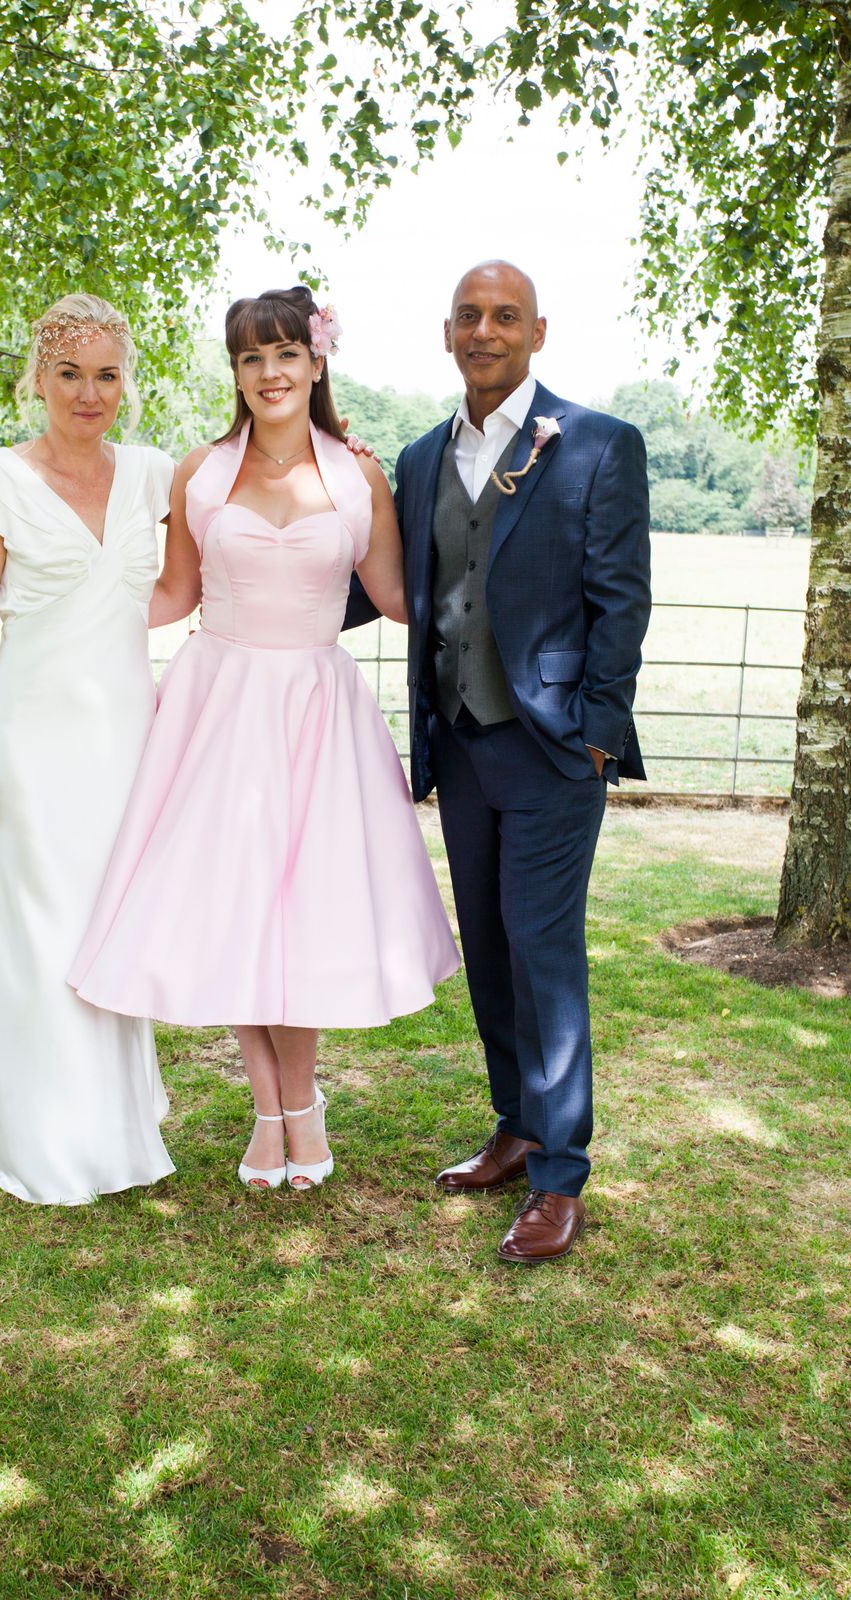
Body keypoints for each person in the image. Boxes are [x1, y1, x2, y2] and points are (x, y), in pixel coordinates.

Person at [69, 286, 459, 1190]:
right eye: (251, 357)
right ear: (237, 372)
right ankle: (268, 1110)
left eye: (286, 353)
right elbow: (172, 594)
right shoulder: (201, 472)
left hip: (318, 712)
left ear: (316, 362)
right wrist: (68, 613)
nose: (269, 372)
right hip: (218, 708)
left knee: (304, 911)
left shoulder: (357, 474)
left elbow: (398, 598)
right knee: (235, 906)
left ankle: (304, 1102)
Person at [347, 260, 650, 1261]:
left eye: (504, 316)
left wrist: (595, 733)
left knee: (542, 950)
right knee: (486, 944)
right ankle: (516, 1127)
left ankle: (560, 1176)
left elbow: (621, 602)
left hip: (554, 748)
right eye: (468, 316)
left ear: (536, 333)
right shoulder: (419, 457)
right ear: (446, 334)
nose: (485, 330)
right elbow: (386, 585)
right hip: (460, 743)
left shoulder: (597, 444)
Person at [0, 293, 175, 1204]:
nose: (89, 393)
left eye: (106, 375)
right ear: (37, 379)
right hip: (29, 740)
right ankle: (47, 1139)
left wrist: (335, 444)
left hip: (124, 739)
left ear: (126, 381)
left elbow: (253, 482)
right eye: (69, 373)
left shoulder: (155, 476)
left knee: (109, 923)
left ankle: (118, 1130)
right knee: (40, 934)